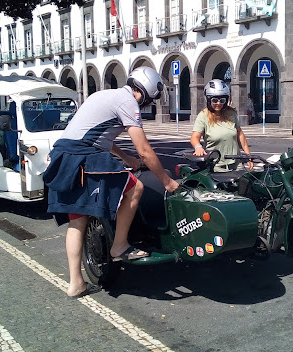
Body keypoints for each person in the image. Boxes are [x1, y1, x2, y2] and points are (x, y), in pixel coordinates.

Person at [44, 66, 179, 298]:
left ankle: (76, 283)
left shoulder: (104, 95)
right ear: (145, 92)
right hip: (83, 155)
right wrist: (167, 181)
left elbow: (98, 136)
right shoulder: (128, 102)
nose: (147, 106)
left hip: (63, 154)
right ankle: (120, 245)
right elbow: (145, 150)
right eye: (149, 100)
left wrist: (125, 158)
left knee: (77, 220)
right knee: (135, 187)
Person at [190, 80, 254, 172]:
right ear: (208, 100)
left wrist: (248, 156)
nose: (219, 103)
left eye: (222, 100)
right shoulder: (203, 116)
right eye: (215, 100)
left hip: (236, 163)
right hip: (216, 165)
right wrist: (198, 147)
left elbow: (240, 135)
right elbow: (194, 137)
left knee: (245, 184)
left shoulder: (231, 114)